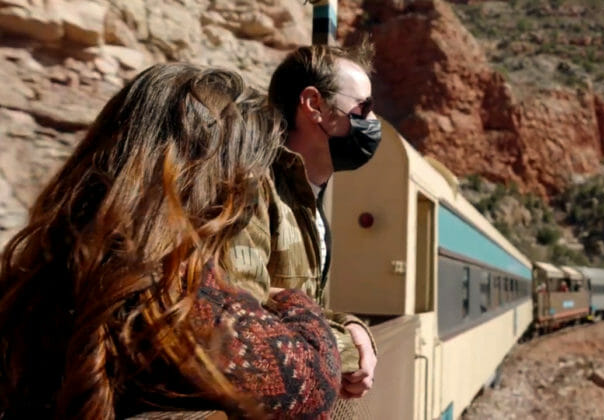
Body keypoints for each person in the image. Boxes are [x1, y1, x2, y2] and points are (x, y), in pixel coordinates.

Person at [0, 63, 341, 419]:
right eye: (247, 178)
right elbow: (314, 385)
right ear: (212, 182)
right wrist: (292, 300)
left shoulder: (38, 274)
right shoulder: (180, 303)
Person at [224, 42, 381, 399]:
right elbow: (240, 309)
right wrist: (348, 349)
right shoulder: (252, 187)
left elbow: (299, 305)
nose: (373, 123)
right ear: (313, 105)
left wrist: (350, 325)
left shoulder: (307, 201)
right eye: (364, 108)